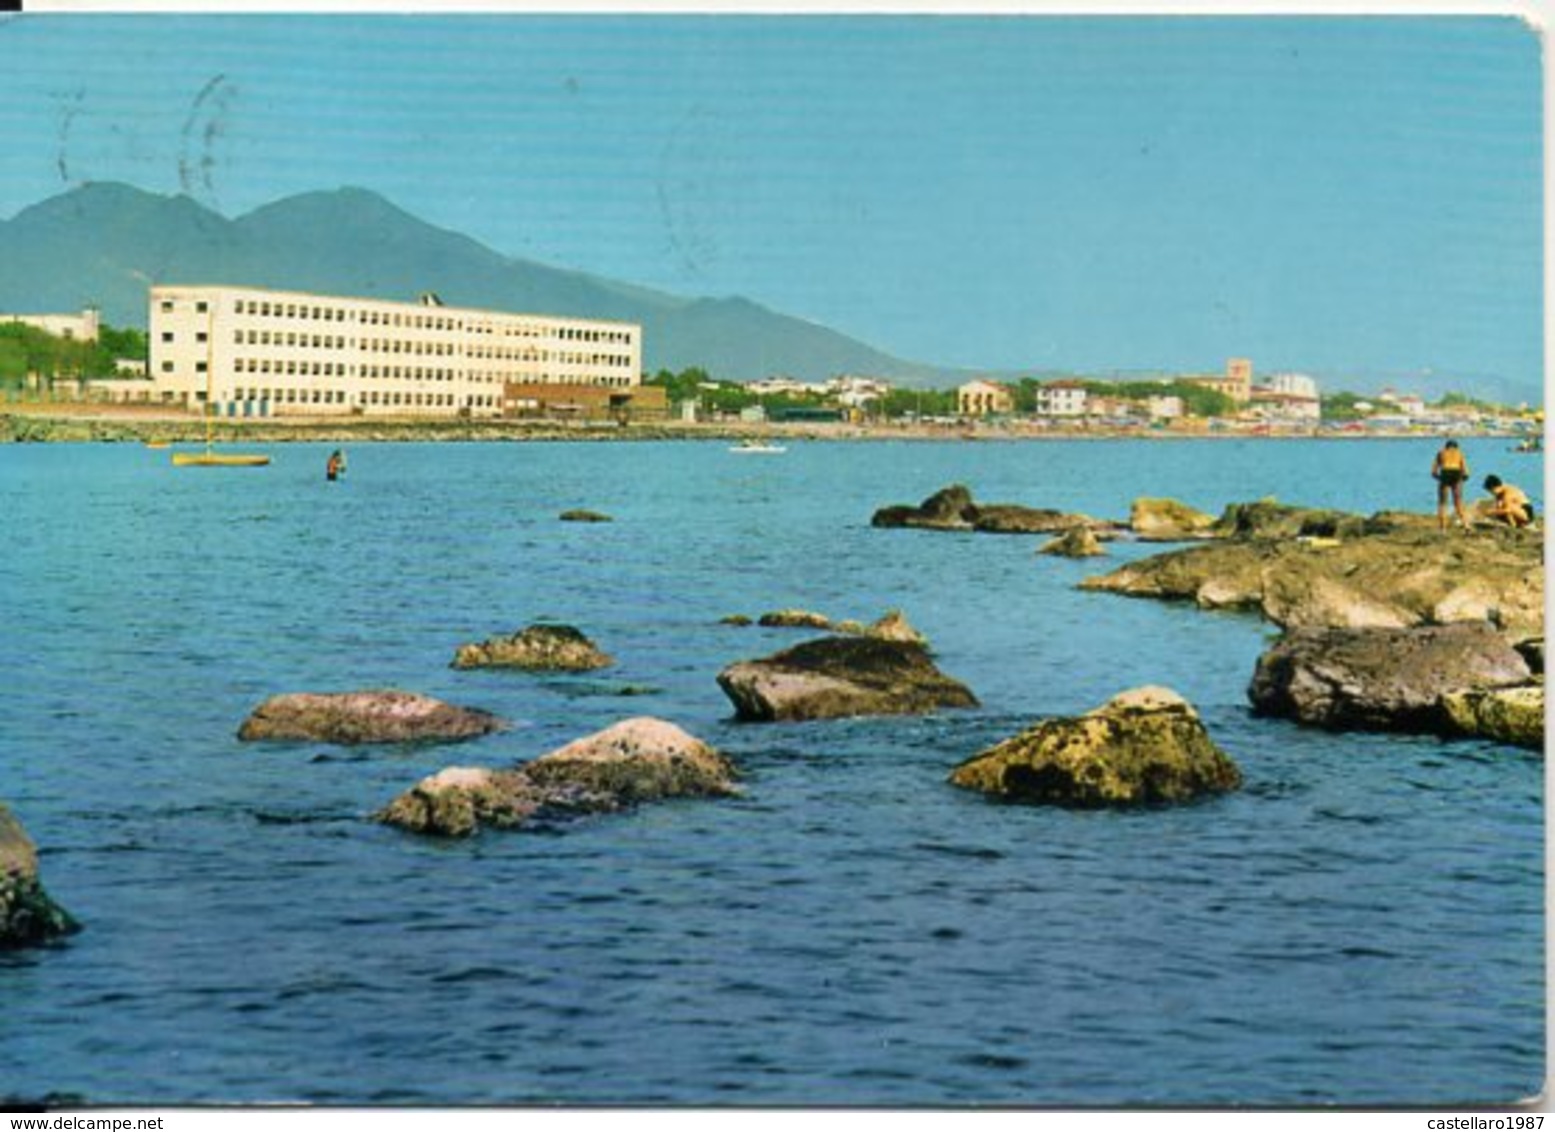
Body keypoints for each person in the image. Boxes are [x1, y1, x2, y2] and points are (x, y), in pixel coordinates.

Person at [1430, 439, 1469, 531]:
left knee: (1442, 503)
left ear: (1446, 447)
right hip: (1457, 473)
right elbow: (1466, 472)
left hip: (1445, 472)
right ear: (1456, 447)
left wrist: (1440, 479)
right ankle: (1466, 525)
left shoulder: (1441, 452)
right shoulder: (1459, 453)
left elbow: (1433, 472)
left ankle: (1443, 529)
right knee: (1458, 502)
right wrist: (1461, 480)